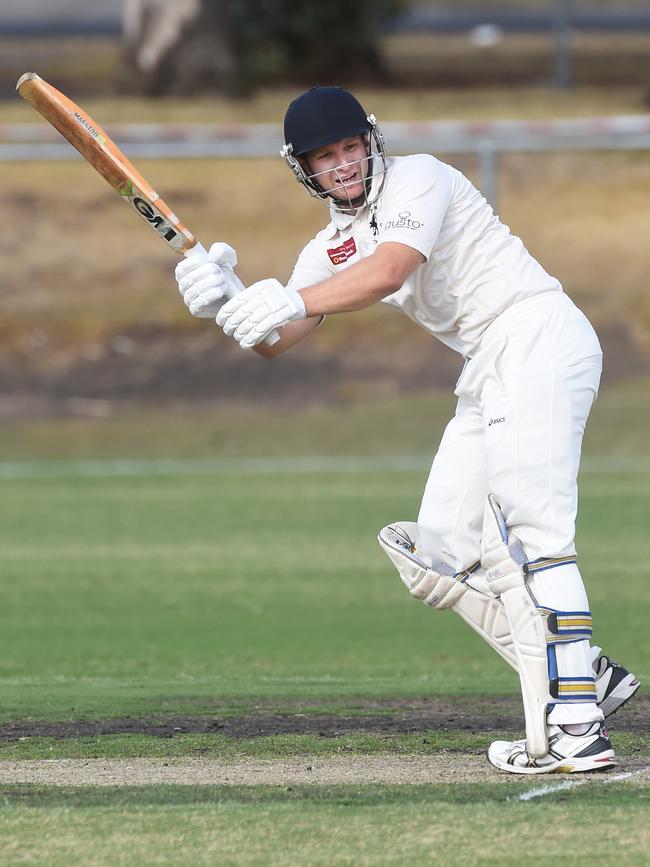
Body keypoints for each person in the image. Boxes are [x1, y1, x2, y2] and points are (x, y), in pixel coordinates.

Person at [174, 86, 639, 774]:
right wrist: (230, 300)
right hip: (488, 366)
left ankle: (575, 729)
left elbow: (389, 269)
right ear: (301, 168)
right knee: (438, 550)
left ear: (370, 140)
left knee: (535, 534)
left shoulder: (421, 178)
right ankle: (582, 673)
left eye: (349, 147)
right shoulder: (329, 246)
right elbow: (278, 336)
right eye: (324, 156)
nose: (343, 164)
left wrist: (287, 296)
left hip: (537, 334)